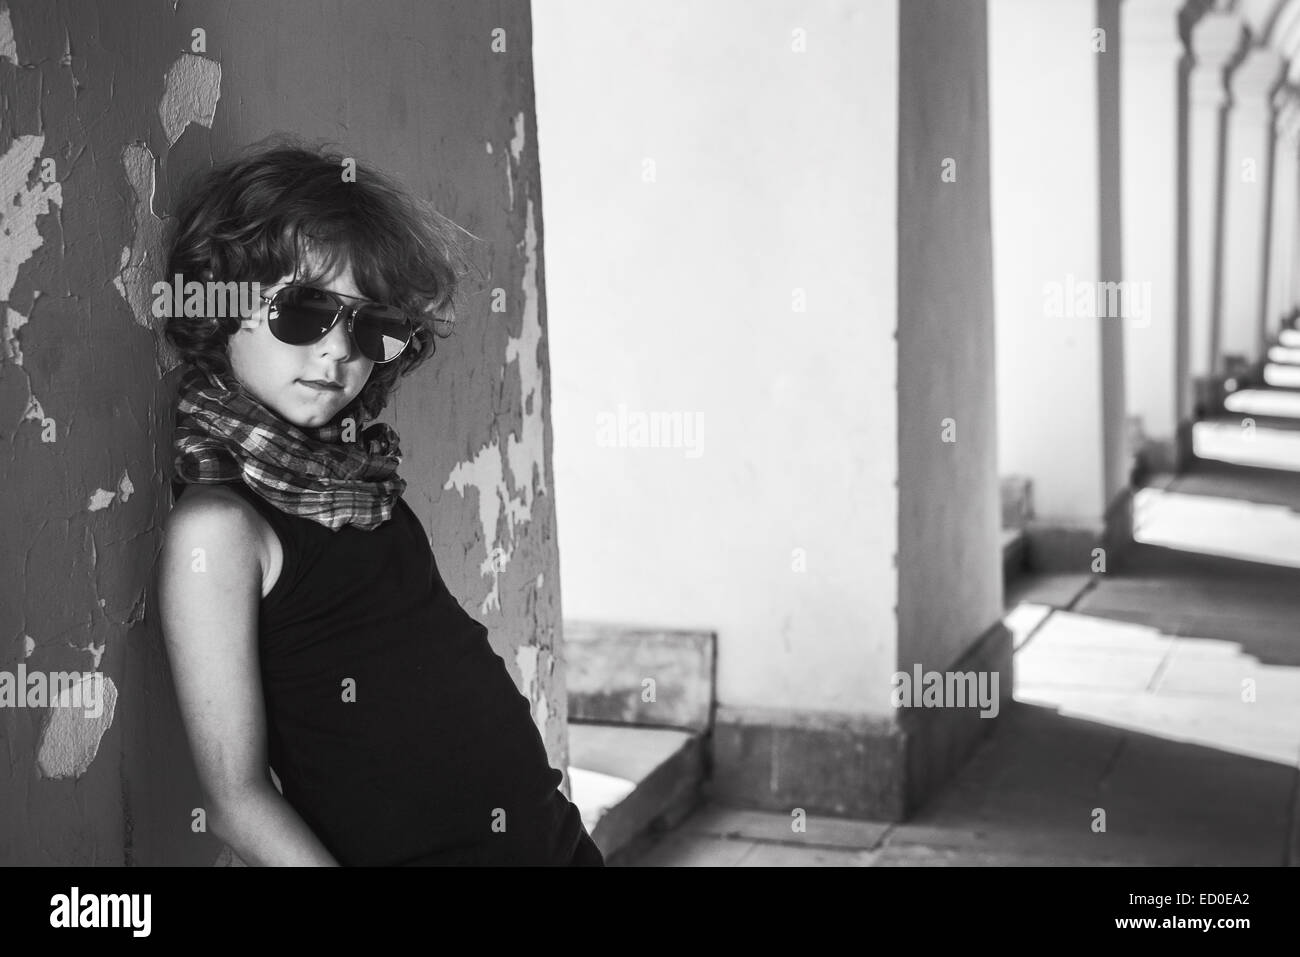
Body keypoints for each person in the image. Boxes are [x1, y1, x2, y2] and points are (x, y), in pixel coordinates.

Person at [153, 138, 604, 866]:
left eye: (370, 326)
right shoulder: (219, 530)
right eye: (303, 312)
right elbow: (236, 800)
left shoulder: (362, 481)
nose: (338, 351)